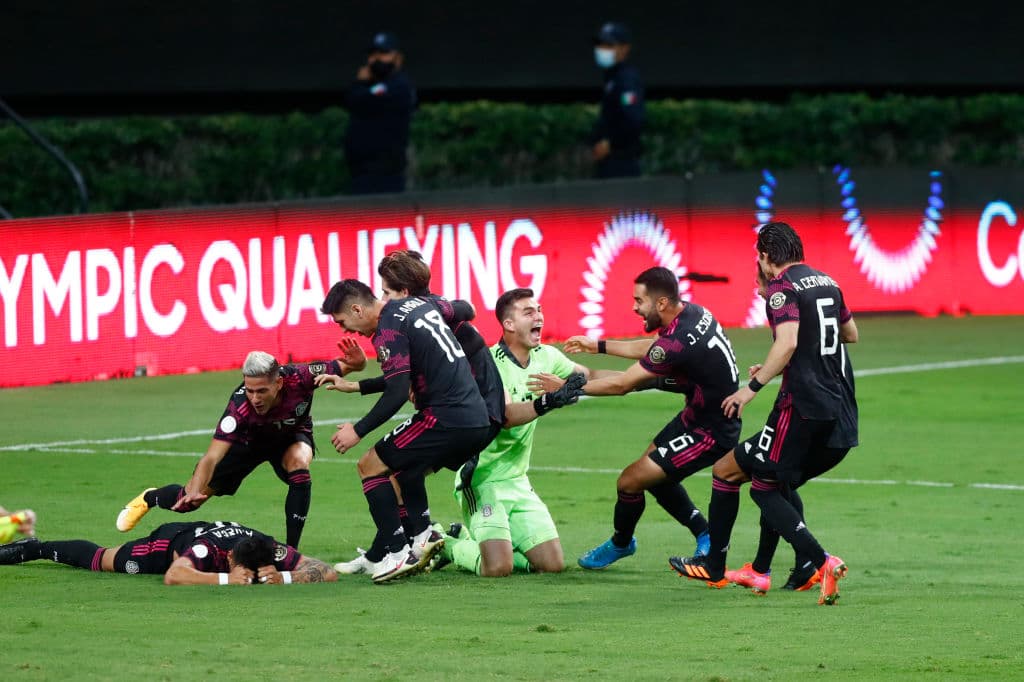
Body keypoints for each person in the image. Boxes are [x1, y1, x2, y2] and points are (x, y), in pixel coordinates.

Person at [670, 221, 858, 606]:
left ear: (766, 256)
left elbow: (787, 341)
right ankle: (768, 569)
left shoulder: (781, 288)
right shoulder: (828, 281)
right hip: (838, 407)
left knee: (749, 479)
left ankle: (816, 560)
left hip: (801, 405)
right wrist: (789, 361)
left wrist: (750, 389)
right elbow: (849, 333)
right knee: (777, 481)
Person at [559, 267, 741, 570]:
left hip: (711, 432)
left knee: (630, 481)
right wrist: (598, 345)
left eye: (639, 300)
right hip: (696, 416)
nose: (634, 307)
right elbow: (655, 349)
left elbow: (623, 386)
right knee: (652, 475)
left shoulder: (679, 339)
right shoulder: (693, 313)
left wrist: (568, 390)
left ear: (660, 304)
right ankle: (702, 533)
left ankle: (623, 542)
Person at [320, 279, 496, 583]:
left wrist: (358, 431)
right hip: (476, 418)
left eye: (342, 322)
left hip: (446, 417)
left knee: (369, 466)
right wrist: (357, 386)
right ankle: (422, 535)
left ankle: (397, 553)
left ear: (357, 309)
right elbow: (465, 309)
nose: (345, 331)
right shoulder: (418, 304)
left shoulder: (387, 330)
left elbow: (398, 391)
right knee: (402, 471)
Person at [437, 288, 609, 577]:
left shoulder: (546, 357)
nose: (539, 316)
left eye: (539, 310)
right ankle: (447, 543)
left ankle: (483, 540)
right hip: (482, 479)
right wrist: (548, 401)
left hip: (517, 480)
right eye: (529, 312)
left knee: (552, 565)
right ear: (509, 324)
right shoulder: (487, 363)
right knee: (497, 567)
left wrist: (643, 376)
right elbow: (505, 416)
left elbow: (590, 376)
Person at [114, 351, 351, 549]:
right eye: (250, 390)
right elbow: (212, 456)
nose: (255, 398)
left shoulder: (302, 377)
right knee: (188, 501)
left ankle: (291, 552)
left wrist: (357, 359)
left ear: (278, 383)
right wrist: (195, 490)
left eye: (261, 391)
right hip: (247, 444)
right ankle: (148, 498)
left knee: (299, 467)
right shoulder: (238, 410)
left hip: (289, 436)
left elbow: (350, 364)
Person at [0, 520, 337, 585]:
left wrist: (287, 577)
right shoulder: (210, 551)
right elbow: (175, 576)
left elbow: (327, 570)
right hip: (171, 542)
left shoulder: (267, 547)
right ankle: (36, 548)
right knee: (103, 560)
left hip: (207, 536)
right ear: (231, 558)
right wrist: (226, 580)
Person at [343, 31, 416, 194]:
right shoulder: (366, 84)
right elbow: (353, 100)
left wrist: (361, 87)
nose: (376, 59)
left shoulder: (399, 85)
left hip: (386, 174)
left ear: (397, 58)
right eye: (373, 54)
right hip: (360, 172)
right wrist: (360, 84)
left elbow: (365, 99)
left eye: (383, 54)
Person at [589, 22, 645, 178]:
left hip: (622, 163)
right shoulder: (612, 78)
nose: (602, 50)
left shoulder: (626, 79)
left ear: (624, 48)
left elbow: (633, 119)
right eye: (600, 45)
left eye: (609, 45)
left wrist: (611, 144)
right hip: (609, 162)